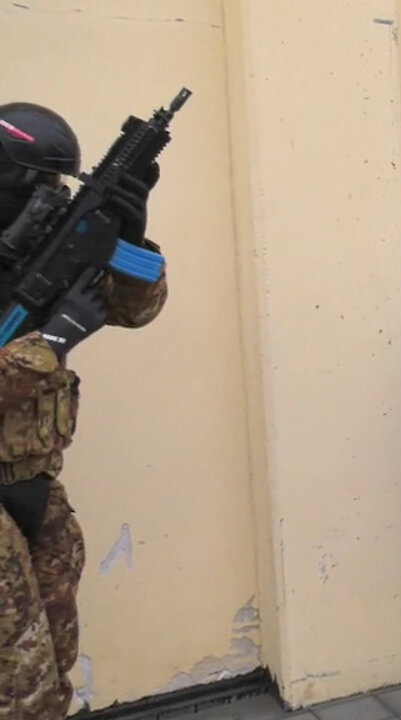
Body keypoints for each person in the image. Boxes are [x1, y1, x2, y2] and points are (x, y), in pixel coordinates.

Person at [0, 101, 168, 719]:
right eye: (39, 183)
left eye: (57, 184)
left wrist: (129, 235)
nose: (49, 197)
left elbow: (134, 310)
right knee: (17, 691)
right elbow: (45, 347)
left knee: (54, 656)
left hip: (37, 488)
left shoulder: (40, 246)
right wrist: (49, 346)